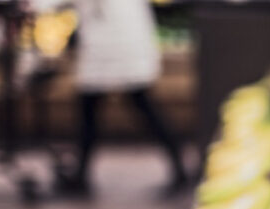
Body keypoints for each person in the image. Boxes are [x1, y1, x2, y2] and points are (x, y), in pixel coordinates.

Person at [55, 0, 191, 198]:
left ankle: (179, 166)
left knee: (115, 107)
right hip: (117, 40)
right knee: (96, 108)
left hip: (113, 42)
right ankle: (81, 174)